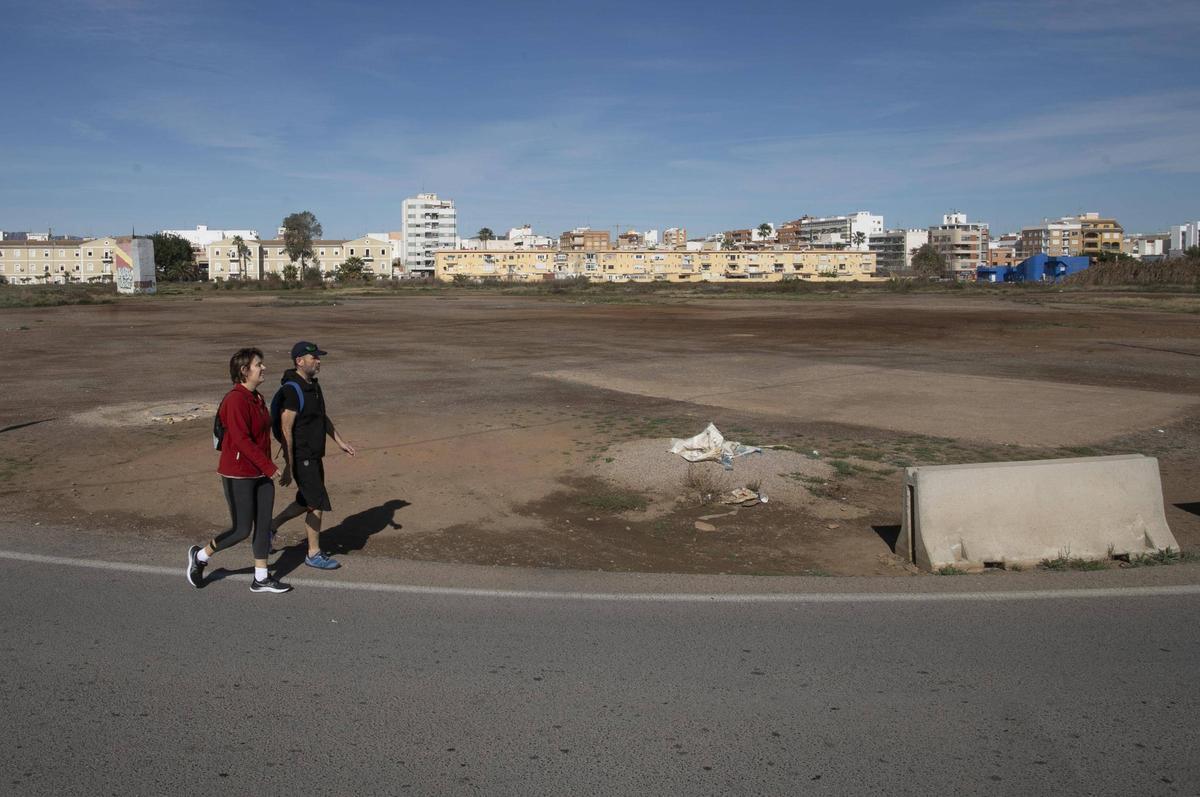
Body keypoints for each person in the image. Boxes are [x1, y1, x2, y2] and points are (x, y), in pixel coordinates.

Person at [187, 347, 291, 593]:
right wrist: (269, 465)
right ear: (244, 371)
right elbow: (242, 440)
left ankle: (261, 578)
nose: (263, 367)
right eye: (258, 364)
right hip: (238, 473)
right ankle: (201, 556)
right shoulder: (235, 400)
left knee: (263, 525)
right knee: (241, 529)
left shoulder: (257, 397)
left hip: (261, 473)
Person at [271, 341, 356, 569]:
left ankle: (272, 526)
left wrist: (340, 442)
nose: (318, 361)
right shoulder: (292, 389)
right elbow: (286, 427)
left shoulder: (314, 386)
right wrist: (289, 464)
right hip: (302, 455)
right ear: (299, 361)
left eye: (319, 357)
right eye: (313, 358)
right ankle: (313, 553)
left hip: (315, 453)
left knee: (306, 499)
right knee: (315, 502)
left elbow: (322, 417)